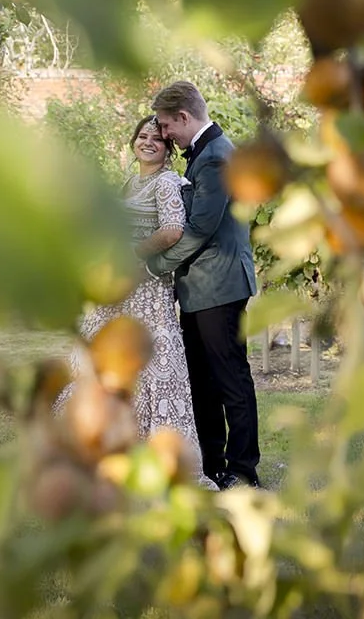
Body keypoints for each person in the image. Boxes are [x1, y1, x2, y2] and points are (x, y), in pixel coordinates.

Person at [65, 114, 218, 491]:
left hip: (146, 289)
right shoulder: (130, 181)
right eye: (142, 135)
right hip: (117, 287)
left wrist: (132, 255)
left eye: (157, 138)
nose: (148, 141)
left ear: (168, 149)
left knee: (149, 369)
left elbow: (171, 231)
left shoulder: (167, 183)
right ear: (133, 141)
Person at [146, 81, 261, 490]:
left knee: (230, 379)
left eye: (165, 125)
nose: (163, 135)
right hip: (201, 289)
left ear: (183, 116)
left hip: (219, 286)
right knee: (203, 380)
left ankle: (244, 470)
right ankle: (212, 464)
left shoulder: (214, 158)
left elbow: (197, 231)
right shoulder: (206, 153)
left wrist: (150, 265)